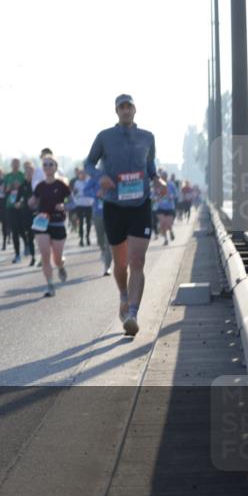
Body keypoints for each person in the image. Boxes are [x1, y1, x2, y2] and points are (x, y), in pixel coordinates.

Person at [84, 94, 166, 336]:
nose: (126, 110)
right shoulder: (104, 137)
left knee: (137, 261)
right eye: (122, 107)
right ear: (116, 111)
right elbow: (88, 164)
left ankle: (132, 313)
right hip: (114, 205)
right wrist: (102, 177)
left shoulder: (147, 137)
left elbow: (150, 167)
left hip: (141, 203)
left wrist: (157, 179)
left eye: (129, 106)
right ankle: (122, 294)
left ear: (135, 110)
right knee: (120, 264)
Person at [29, 155, 71, 297]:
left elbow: (73, 203)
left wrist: (64, 205)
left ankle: (60, 266)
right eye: (45, 165)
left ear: (55, 167)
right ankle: (50, 284)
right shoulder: (39, 186)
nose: (47, 167)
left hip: (58, 223)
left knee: (57, 257)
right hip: (42, 224)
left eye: (50, 164)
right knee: (45, 255)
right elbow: (33, 201)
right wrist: (30, 202)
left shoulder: (62, 185)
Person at [3, 158, 25, 257]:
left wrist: (19, 186)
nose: (15, 165)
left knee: (22, 228)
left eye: (17, 163)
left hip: (21, 205)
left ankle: (27, 244)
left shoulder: (22, 175)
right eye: (14, 163)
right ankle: (17, 253)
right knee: (14, 230)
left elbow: (26, 188)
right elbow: (4, 191)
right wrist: (9, 187)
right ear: (11, 165)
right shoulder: (7, 176)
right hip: (10, 205)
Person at [18, 160, 37, 266]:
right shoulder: (23, 185)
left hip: (38, 213)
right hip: (26, 213)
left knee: (40, 236)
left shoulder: (38, 184)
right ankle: (33, 257)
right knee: (29, 236)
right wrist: (18, 203)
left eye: (31, 171)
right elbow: (17, 199)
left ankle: (44, 257)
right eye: (27, 172)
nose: (29, 174)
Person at [154, 169, 177, 245]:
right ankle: (166, 239)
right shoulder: (157, 185)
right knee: (162, 223)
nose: (163, 178)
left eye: (165, 177)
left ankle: (171, 231)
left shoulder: (171, 185)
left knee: (168, 224)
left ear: (167, 177)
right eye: (162, 177)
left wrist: (172, 197)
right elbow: (152, 194)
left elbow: (176, 194)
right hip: (160, 208)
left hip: (170, 208)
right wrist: (156, 198)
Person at [72, 168, 94, 247]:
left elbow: (94, 190)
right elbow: (74, 193)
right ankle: (81, 239)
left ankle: (87, 237)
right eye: (81, 174)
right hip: (80, 204)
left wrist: (93, 200)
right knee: (80, 222)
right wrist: (75, 200)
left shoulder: (89, 181)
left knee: (88, 222)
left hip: (88, 204)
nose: (82, 175)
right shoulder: (77, 182)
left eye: (84, 173)